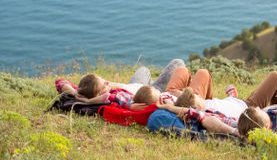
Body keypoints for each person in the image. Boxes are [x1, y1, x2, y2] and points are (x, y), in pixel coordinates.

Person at [155, 71, 277, 134]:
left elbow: (225, 103)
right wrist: (169, 107)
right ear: (195, 108)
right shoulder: (208, 114)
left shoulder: (207, 103)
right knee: (276, 77)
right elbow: (189, 112)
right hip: (250, 107)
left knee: (203, 73)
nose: (198, 95)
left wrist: (231, 95)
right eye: (196, 97)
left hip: (237, 101)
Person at [55, 59, 185, 110]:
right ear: (101, 94)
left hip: (135, 84)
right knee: (178, 64)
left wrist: (75, 93)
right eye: (104, 84)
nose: (107, 82)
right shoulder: (114, 99)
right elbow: (135, 107)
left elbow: (60, 82)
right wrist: (90, 102)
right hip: (152, 92)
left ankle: (154, 81)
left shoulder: (86, 91)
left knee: (144, 69)